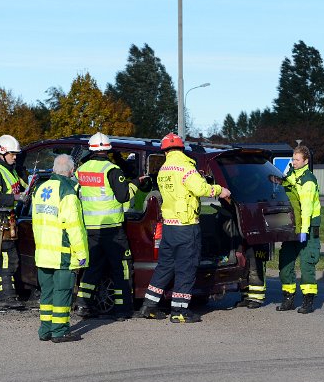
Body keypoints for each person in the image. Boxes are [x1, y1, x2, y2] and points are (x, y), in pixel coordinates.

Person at [136, 132, 230, 323]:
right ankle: (179, 311)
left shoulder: (163, 170)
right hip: (186, 226)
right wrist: (220, 190)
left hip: (169, 226)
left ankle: (149, 306)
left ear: (165, 150)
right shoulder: (186, 167)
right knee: (186, 268)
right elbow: (201, 189)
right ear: (181, 148)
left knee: (165, 266)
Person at [72, 132, 145, 320]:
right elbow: (123, 196)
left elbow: (73, 195)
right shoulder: (111, 170)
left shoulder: (81, 170)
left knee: (92, 268)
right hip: (112, 229)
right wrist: (136, 183)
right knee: (121, 268)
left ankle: (83, 305)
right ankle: (123, 309)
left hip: (90, 229)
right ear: (108, 149)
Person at [32, 154, 88, 343]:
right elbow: (74, 228)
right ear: (71, 171)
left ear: (54, 169)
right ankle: (60, 331)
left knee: (47, 293)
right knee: (62, 294)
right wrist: (81, 255)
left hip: (42, 253)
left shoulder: (40, 189)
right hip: (62, 254)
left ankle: (45, 330)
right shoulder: (68, 191)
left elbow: (36, 222)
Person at [275, 145, 321, 314]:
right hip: (292, 226)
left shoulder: (308, 180)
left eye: (297, 160)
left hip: (308, 228)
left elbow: (307, 208)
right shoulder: (292, 176)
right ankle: (288, 299)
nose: (293, 162)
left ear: (306, 161)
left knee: (306, 264)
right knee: (286, 262)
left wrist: (304, 230)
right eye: (292, 159)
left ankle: (308, 301)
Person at [0, 134, 28, 309]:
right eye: (12, 154)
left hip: (5, 220)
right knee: (8, 259)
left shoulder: (10, 169)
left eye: (16, 154)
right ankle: (7, 298)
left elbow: (22, 185)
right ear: (2, 153)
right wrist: (15, 197)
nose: (15, 157)